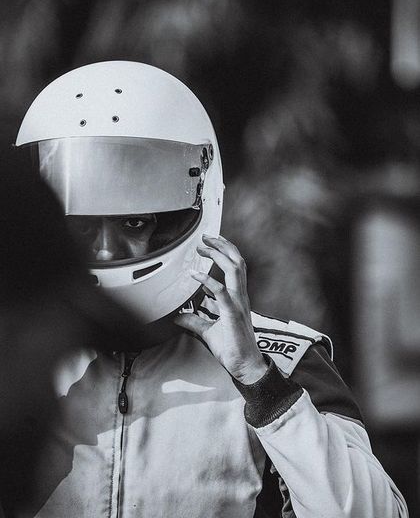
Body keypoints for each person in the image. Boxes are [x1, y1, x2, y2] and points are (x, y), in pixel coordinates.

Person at [12, 61, 408, 517]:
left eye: (134, 224)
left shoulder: (285, 360)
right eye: (82, 229)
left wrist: (259, 381)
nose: (105, 253)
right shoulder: (22, 357)